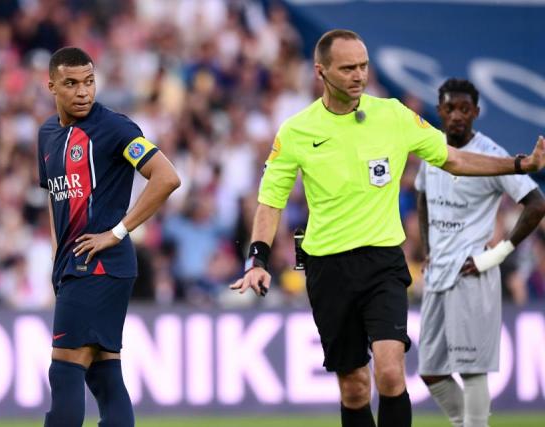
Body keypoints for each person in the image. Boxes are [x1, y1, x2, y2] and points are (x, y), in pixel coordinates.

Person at [230, 29, 545, 427]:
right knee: (355, 387)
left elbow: (454, 160)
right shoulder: (296, 131)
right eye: (347, 68)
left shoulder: (393, 115)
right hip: (328, 268)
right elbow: (270, 201)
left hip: (383, 261)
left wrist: (518, 164)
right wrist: (256, 258)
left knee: (391, 372)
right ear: (321, 72)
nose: (358, 75)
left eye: (363, 66)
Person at [38, 47, 180, 427]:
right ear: (51, 85)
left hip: (101, 265)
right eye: (71, 83)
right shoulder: (48, 135)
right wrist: (58, 265)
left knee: (65, 372)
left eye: (89, 81)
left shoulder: (115, 127)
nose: (83, 92)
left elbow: (167, 177)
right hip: (76, 269)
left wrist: (116, 233)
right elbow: (57, 203)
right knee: (104, 374)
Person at [415, 78, 545, 427]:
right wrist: (428, 248)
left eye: (464, 109)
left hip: (472, 270)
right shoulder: (432, 151)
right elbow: (423, 197)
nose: (456, 116)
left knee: (472, 370)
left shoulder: (491, 155)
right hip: (438, 273)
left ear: (476, 112)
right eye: (449, 109)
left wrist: (497, 254)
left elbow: (535, 203)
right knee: (429, 370)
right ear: (439, 111)